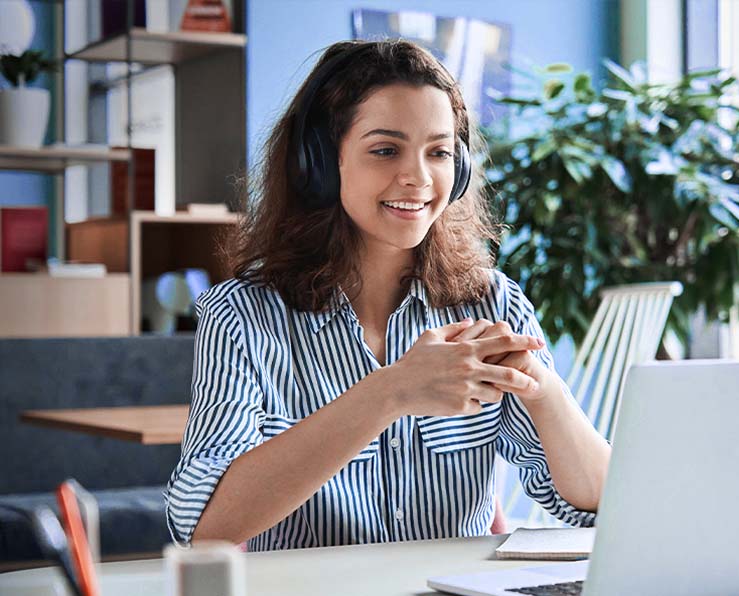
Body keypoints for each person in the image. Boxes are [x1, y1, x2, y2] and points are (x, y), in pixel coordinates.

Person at [165, 39, 611, 551]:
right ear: (320, 163)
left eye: (439, 152)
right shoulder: (243, 315)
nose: (418, 177)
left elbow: (599, 506)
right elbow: (203, 526)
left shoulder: (493, 302)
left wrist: (544, 390)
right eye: (385, 149)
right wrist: (392, 391)